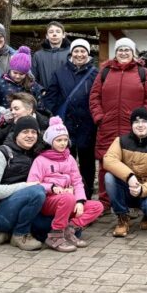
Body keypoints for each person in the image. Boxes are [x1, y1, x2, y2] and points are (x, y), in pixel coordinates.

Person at [89, 37, 147, 211]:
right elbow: (94, 97)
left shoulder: (143, 72)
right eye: (120, 49)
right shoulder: (105, 71)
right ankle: (105, 203)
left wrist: (143, 120)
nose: (123, 52)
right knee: (106, 163)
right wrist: (99, 117)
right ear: (115, 52)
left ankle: (130, 202)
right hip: (108, 126)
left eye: (127, 49)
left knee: (132, 164)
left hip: (132, 128)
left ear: (133, 52)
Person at [27, 117, 105, 252]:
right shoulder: (40, 160)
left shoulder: (70, 158)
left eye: (65, 140)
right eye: (58, 140)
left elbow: (77, 181)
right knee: (68, 198)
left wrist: (80, 201)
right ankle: (55, 235)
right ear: (50, 141)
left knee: (97, 206)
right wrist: (51, 187)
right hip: (48, 200)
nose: (63, 143)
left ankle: (69, 229)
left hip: (69, 199)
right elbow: (32, 183)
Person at [0, 115, 50, 251]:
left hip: (28, 209)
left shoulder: (37, 153)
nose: (30, 136)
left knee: (66, 229)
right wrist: (25, 187)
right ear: (16, 134)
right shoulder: (1, 153)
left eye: (33, 132)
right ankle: (20, 235)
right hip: (0, 212)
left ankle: (9, 232)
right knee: (37, 191)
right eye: (25, 132)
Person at [102, 107, 147, 237]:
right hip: (127, 188)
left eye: (144, 121)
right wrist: (129, 177)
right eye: (136, 122)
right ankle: (122, 217)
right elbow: (108, 160)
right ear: (131, 125)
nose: (140, 125)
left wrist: (142, 189)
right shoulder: (121, 141)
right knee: (109, 177)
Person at [44, 38, 99, 197]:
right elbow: (50, 98)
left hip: (88, 125)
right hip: (65, 125)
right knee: (65, 161)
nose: (79, 54)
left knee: (87, 163)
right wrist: (53, 118)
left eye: (83, 51)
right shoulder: (60, 73)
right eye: (76, 51)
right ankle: (66, 196)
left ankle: (86, 195)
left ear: (88, 54)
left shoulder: (95, 74)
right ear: (71, 53)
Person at [0, 46, 50, 128]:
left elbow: (40, 108)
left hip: (28, 124)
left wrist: (33, 116)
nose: (17, 76)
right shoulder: (0, 83)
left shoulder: (33, 86)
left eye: (21, 74)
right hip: (5, 126)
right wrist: (1, 118)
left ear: (26, 73)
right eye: (15, 72)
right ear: (10, 69)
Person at [31, 21, 70, 90]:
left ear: (64, 35)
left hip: (67, 94)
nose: (54, 34)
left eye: (58, 32)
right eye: (51, 32)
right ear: (47, 36)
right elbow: (32, 78)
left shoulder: (71, 54)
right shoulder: (38, 55)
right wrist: (41, 91)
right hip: (45, 95)